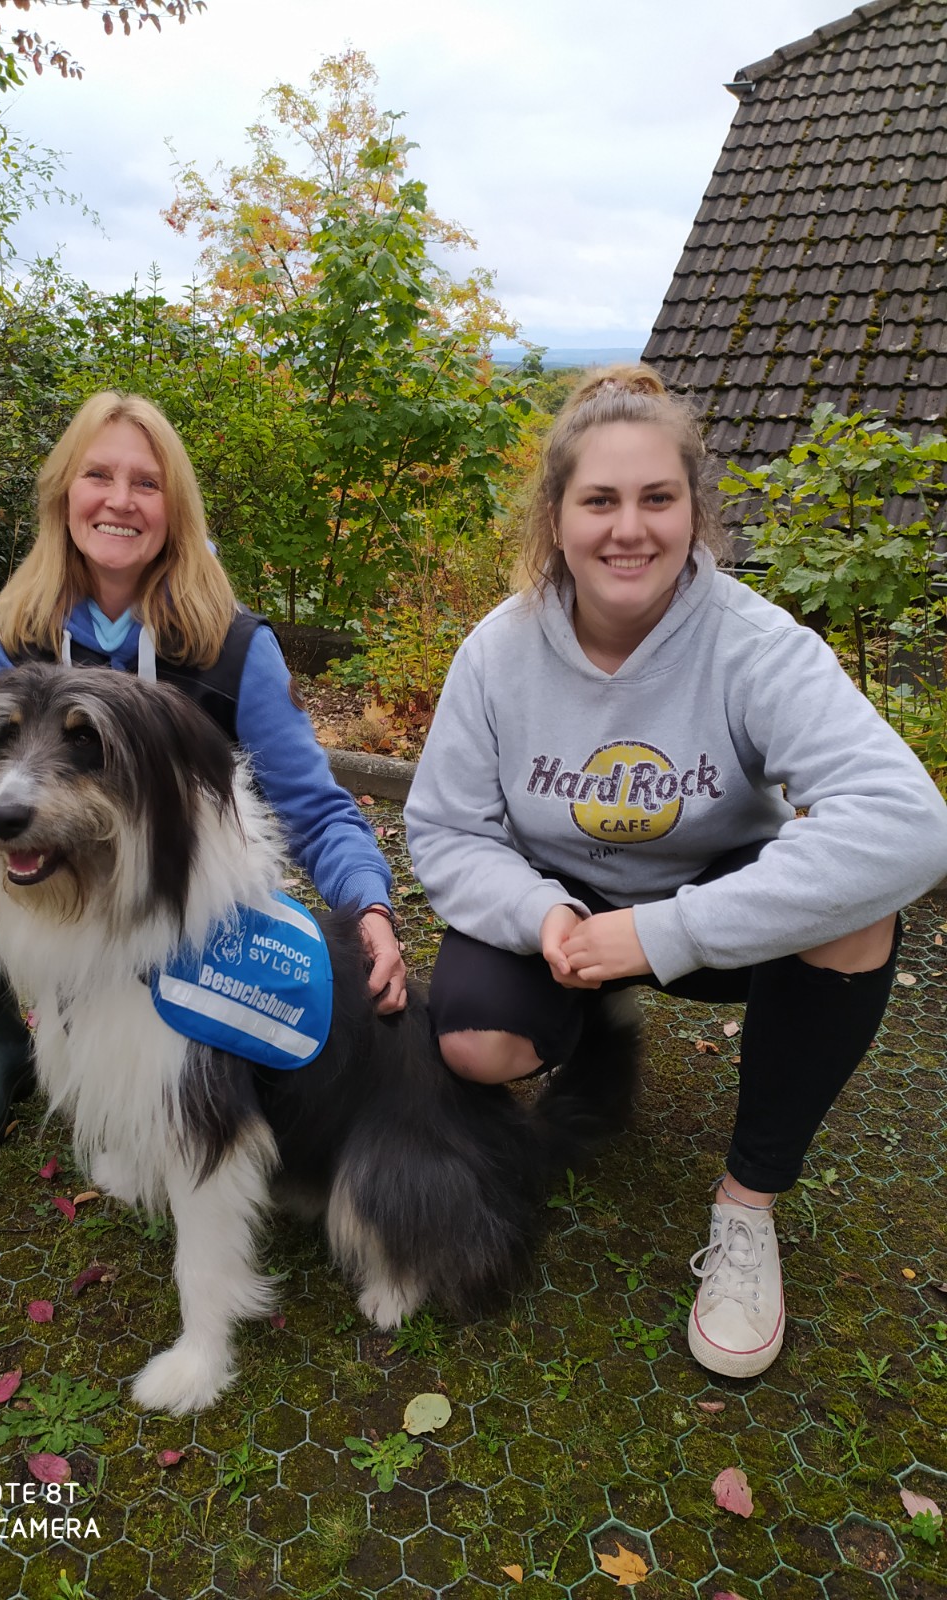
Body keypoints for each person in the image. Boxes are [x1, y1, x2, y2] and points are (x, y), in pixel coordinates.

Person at [404, 365, 947, 1380]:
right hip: (560, 922)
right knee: (474, 1046)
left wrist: (665, 933)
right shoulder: (498, 653)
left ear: (695, 510)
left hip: (711, 914)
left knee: (856, 917)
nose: (630, 529)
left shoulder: (753, 645)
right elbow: (443, 828)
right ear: (554, 518)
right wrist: (543, 914)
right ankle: (593, 1017)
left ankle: (747, 1210)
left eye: (658, 498)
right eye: (599, 500)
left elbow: (912, 827)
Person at [0, 390, 406, 1172]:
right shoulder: (20, 630)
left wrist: (372, 907)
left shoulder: (232, 645)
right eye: (98, 475)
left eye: (146, 484)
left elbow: (315, 809)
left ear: (174, 510)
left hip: (181, 912)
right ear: (64, 496)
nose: (120, 501)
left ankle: (182, 1070)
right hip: (76, 883)